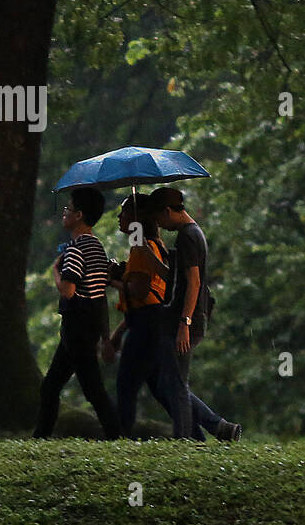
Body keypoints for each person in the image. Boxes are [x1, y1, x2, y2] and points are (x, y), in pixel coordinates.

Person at [104, 194, 240, 441]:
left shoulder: (182, 237)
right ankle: (209, 430)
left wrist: (184, 322)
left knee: (152, 384)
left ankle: (135, 436)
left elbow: (151, 289)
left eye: (123, 213)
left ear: (166, 211)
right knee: (165, 384)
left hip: (160, 320)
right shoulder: (154, 245)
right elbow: (167, 279)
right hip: (159, 318)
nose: (118, 218)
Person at [144, 186, 241, 441]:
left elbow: (194, 283)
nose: (160, 226)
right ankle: (218, 429)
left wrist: (184, 322)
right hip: (183, 317)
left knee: (176, 384)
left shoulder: (188, 236)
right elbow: (177, 279)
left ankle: (189, 438)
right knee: (171, 380)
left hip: (187, 319)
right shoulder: (191, 234)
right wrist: (149, 258)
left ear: (167, 211)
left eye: (159, 219)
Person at [34, 187, 121, 438]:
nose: (64, 213)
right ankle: (40, 437)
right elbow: (101, 295)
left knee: (92, 389)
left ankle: (117, 435)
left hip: (77, 325)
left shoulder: (75, 250)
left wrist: (55, 271)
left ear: (79, 215)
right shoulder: (97, 247)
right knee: (51, 385)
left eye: (68, 209)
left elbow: (68, 290)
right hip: (90, 324)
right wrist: (104, 337)